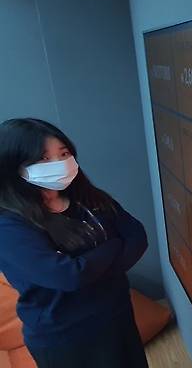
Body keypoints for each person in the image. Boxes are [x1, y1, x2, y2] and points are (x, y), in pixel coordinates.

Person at [0, 118, 149, 368]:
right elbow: (67, 276)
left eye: (64, 153)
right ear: (12, 165)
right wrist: (113, 246)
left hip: (116, 314)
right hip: (66, 337)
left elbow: (136, 236)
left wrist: (86, 268)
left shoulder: (87, 197)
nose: (58, 163)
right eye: (43, 158)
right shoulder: (8, 225)